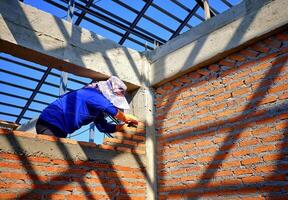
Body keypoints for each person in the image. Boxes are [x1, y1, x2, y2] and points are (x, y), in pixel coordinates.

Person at [36, 76, 138, 138]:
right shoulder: (91, 93)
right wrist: (124, 117)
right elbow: (106, 106)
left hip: (61, 130)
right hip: (49, 123)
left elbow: (103, 127)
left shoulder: (97, 109)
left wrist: (121, 127)